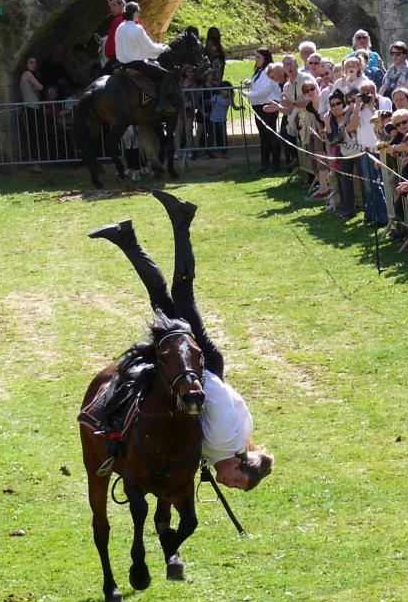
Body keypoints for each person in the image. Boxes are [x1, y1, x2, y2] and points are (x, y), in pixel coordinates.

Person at [87, 191, 273, 490]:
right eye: (236, 480)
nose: (228, 483)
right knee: (182, 291)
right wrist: (184, 360)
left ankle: (126, 238)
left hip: (192, 362)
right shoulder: (225, 438)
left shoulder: (221, 448)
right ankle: (182, 220)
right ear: (241, 463)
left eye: (232, 486)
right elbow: (213, 390)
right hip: (199, 363)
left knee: (161, 300)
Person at [113, 1, 176, 113]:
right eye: (139, 12)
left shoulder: (120, 28)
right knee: (166, 74)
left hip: (122, 65)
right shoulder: (137, 29)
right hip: (138, 65)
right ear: (135, 13)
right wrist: (163, 48)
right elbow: (150, 49)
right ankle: (161, 102)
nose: (139, 15)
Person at [246, 47, 283, 174]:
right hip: (258, 105)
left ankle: (275, 164)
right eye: (255, 57)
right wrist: (250, 84)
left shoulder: (270, 70)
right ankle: (265, 164)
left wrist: (248, 94)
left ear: (265, 57)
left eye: (258, 57)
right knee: (263, 136)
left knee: (271, 134)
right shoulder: (259, 71)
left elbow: (265, 89)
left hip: (268, 104)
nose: (256, 60)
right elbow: (258, 85)